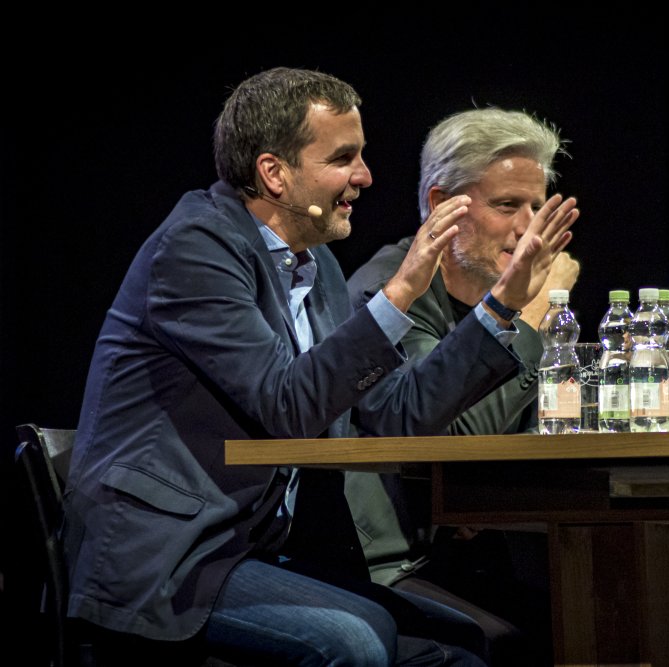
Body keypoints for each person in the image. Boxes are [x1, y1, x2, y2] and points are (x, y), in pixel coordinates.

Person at [61, 67, 577, 667]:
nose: (365, 176)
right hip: (167, 560)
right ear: (274, 173)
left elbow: (397, 416)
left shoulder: (316, 264)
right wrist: (400, 294)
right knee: (356, 642)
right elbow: (287, 406)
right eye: (343, 158)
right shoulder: (196, 247)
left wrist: (502, 306)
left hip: (248, 548)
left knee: (461, 642)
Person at [345, 108, 581, 666]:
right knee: (512, 647)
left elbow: (545, 431)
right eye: (507, 205)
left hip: (469, 552)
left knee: (596, 620)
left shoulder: (504, 295)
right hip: (387, 566)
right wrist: (531, 316)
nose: (528, 229)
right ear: (441, 205)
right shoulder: (389, 295)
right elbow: (450, 437)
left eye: (536, 207)